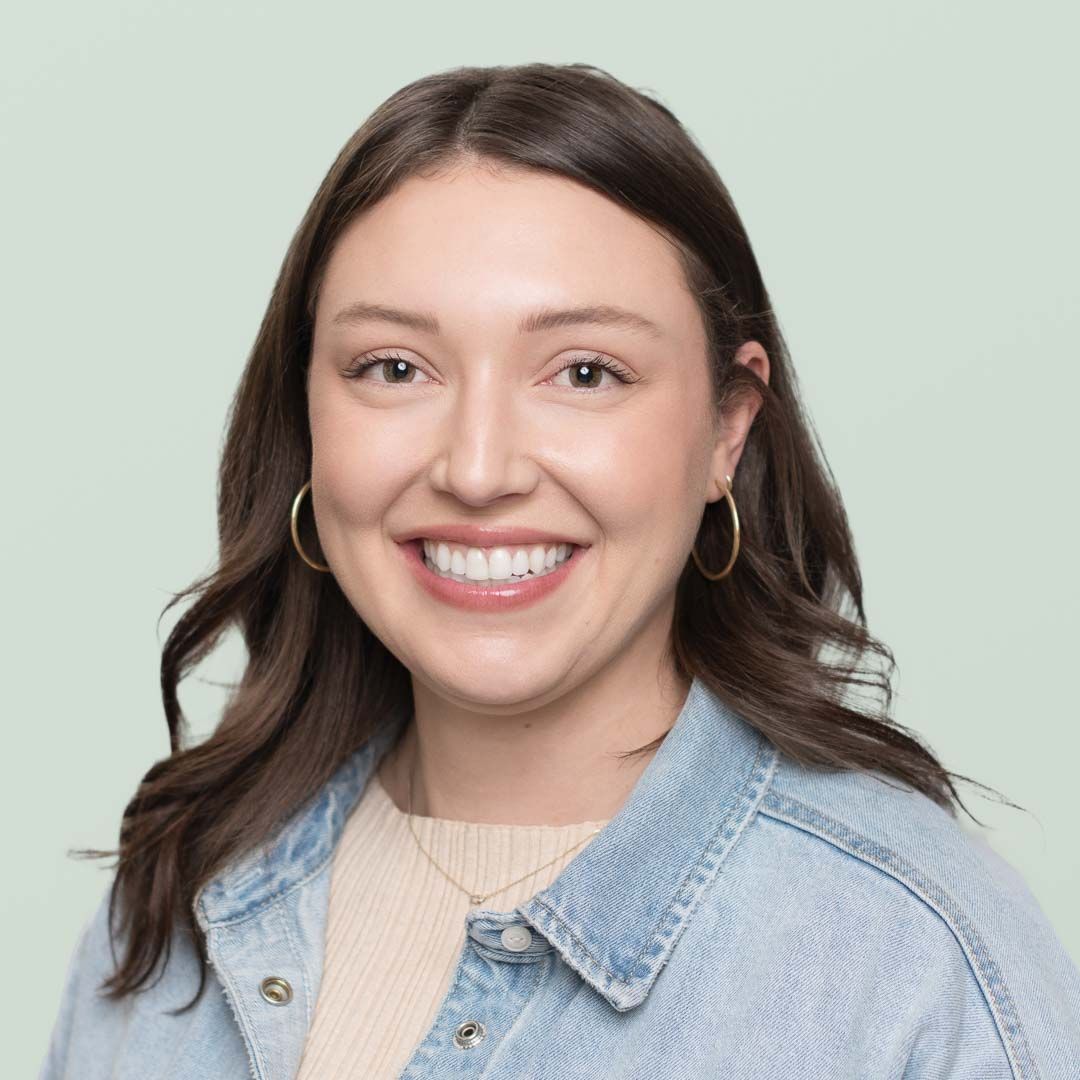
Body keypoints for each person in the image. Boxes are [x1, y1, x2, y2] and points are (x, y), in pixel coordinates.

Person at [40, 61, 1080, 1079]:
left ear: (727, 427)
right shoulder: (178, 898)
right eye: (394, 369)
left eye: (585, 372)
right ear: (307, 418)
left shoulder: (913, 967)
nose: (478, 470)